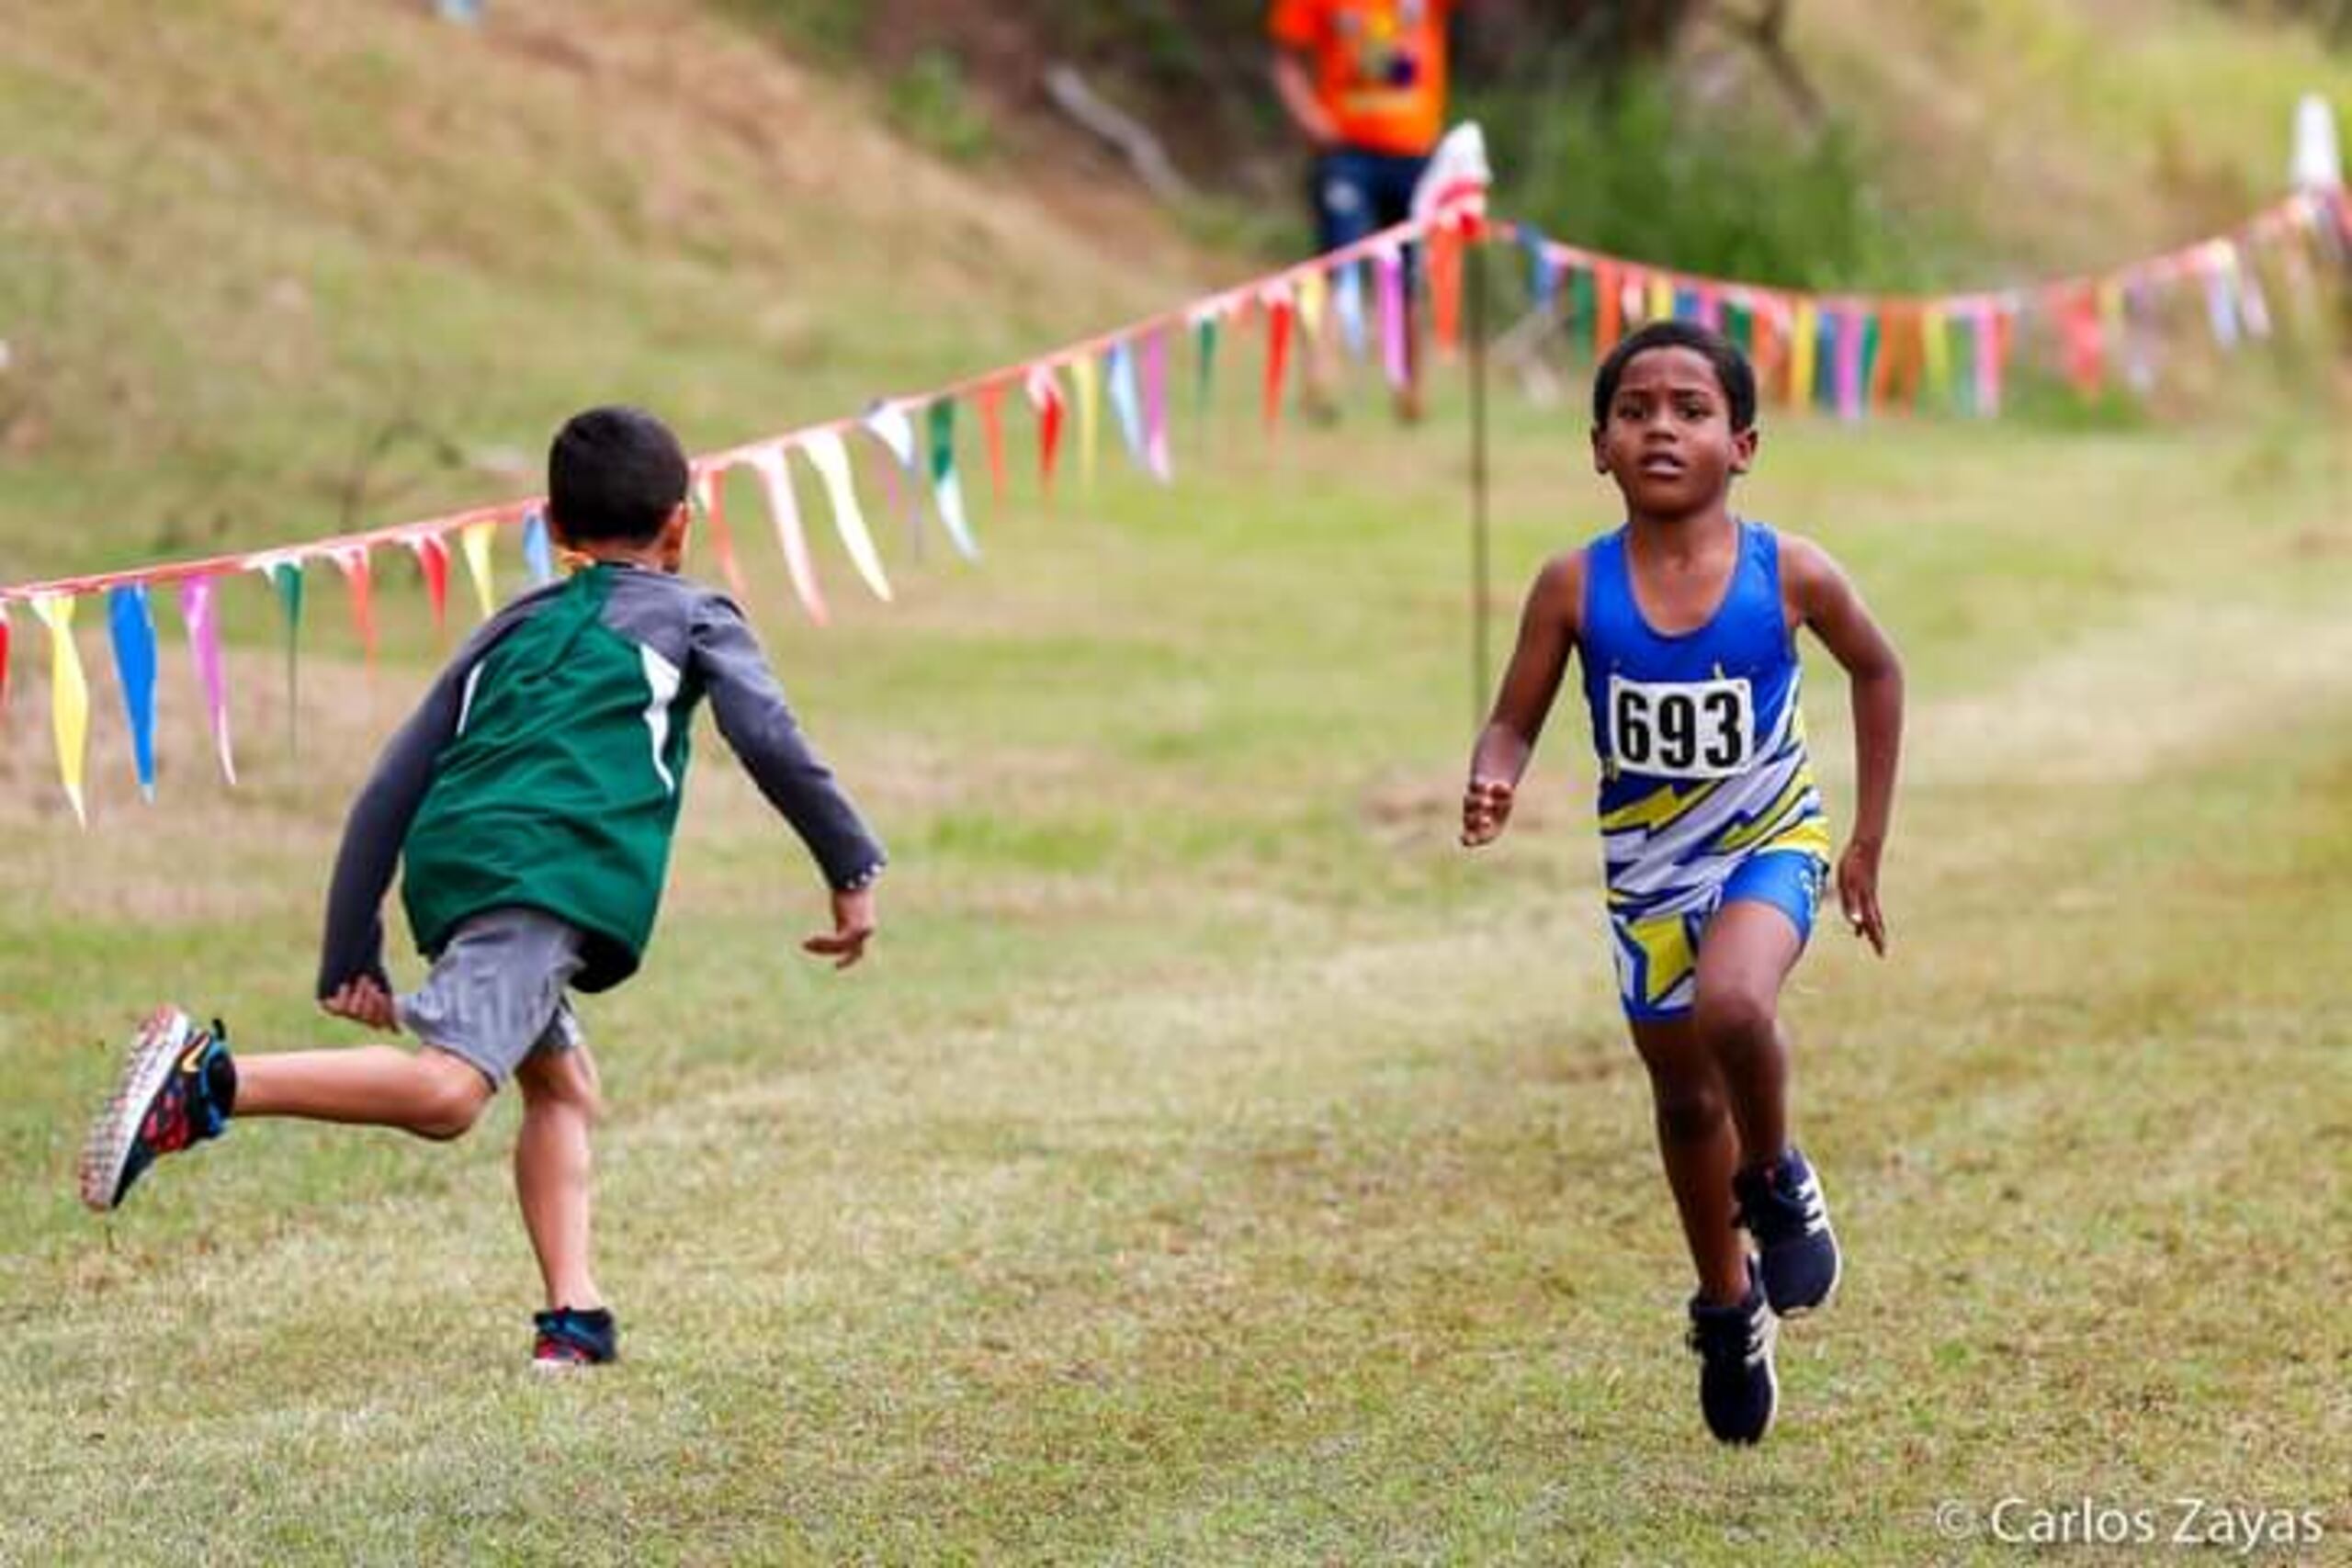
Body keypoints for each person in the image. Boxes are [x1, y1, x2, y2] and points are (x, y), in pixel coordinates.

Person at [79, 406, 886, 1370]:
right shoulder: (696, 616)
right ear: (682, 521)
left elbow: (391, 782)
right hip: (545, 874)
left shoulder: (511, 626)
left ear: (550, 522)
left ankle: (575, 1318)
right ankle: (209, 1081)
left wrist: (352, 948)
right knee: (448, 1092)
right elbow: (770, 740)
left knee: (564, 1086)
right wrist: (850, 865)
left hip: (458, 860)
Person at [1460, 322, 1904, 1444]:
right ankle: (1726, 1303)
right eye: (1636, 410)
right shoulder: (1572, 585)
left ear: (1742, 444)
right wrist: (1491, 775)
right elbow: (1515, 718)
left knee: (1735, 1006)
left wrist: (1862, 841)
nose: (1661, 426)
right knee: (1679, 1097)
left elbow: (1878, 667)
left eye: (1691, 410)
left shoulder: (1787, 572)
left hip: (1770, 839)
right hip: (1647, 873)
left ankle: (1778, 1174)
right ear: (1598, 446)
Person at [1267, 0, 1454, 422]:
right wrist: (1308, 117)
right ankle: (1321, 385)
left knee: (1412, 275)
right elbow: (1287, 59)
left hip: (1415, 153)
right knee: (1337, 265)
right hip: (1346, 153)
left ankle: (1410, 391)